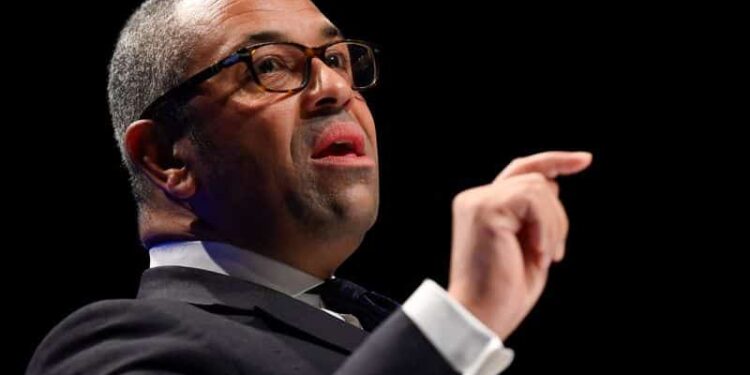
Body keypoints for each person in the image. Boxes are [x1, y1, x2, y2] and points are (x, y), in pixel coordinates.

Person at [27, 0, 592, 373]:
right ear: (165, 156)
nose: (334, 88)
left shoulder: (377, 326)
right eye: (270, 65)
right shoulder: (116, 349)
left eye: (340, 59)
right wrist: (459, 320)